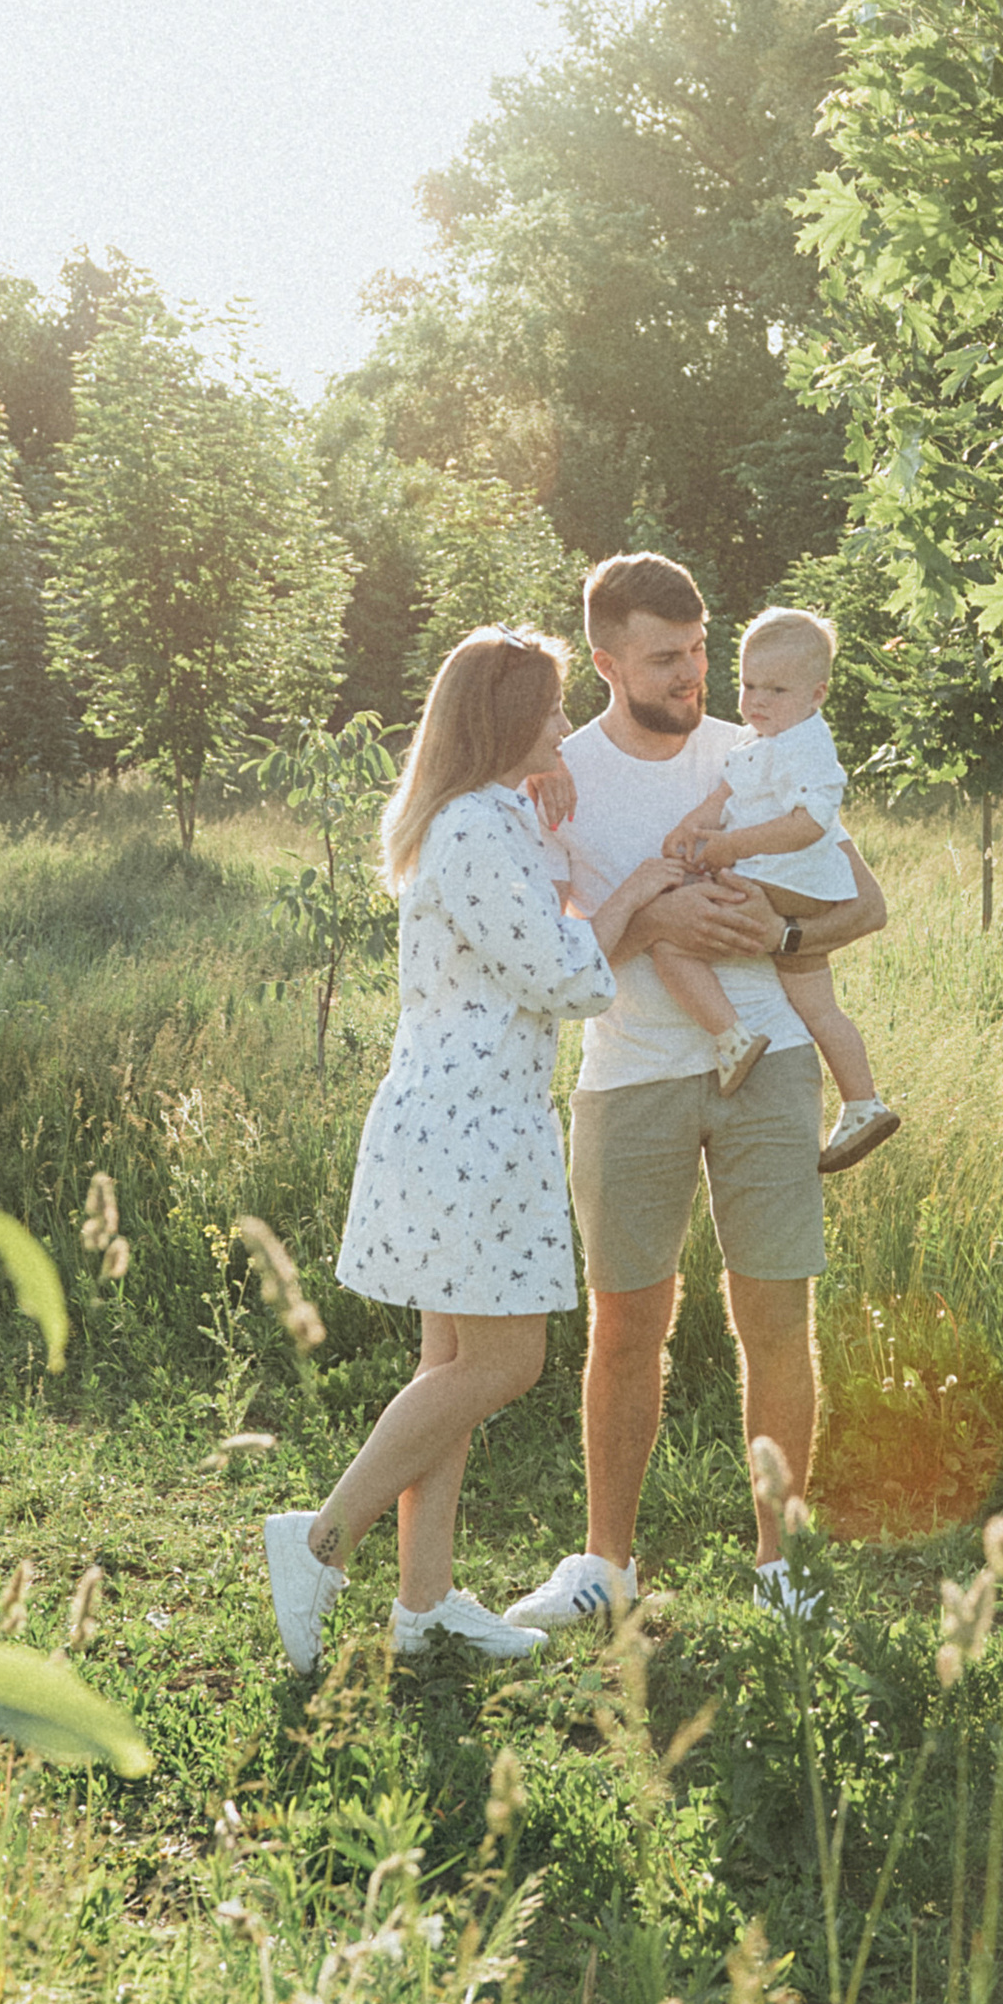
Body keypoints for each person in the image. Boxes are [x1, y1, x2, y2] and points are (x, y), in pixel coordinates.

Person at [260, 625, 685, 1676]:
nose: (560, 724)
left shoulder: (484, 820)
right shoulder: (476, 830)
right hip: (470, 1130)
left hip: (455, 1121)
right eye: (545, 708)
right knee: (505, 1359)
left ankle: (426, 1601)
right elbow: (571, 977)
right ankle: (319, 1537)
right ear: (503, 720)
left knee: (449, 1364)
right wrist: (636, 891)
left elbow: (539, 950)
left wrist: (560, 848)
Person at [504, 551, 888, 1637]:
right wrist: (655, 920)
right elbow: (546, 949)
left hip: (768, 1067)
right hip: (630, 1076)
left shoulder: (763, 749)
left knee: (777, 1314)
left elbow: (865, 904)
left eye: (702, 649)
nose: (696, 673)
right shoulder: (558, 778)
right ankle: (604, 1566)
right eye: (667, 656)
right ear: (607, 658)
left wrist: (782, 934)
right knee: (626, 1324)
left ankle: (778, 1565)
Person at [649, 602, 900, 1173]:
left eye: (777, 690)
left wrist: (730, 848)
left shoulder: (807, 746)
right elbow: (725, 797)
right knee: (819, 1007)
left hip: (784, 881)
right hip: (802, 890)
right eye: (748, 684)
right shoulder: (763, 740)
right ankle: (863, 1103)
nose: (756, 701)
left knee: (671, 942)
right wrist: (694, 826)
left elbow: (812, 821)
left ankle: (732, 1036)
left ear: (817, 694)